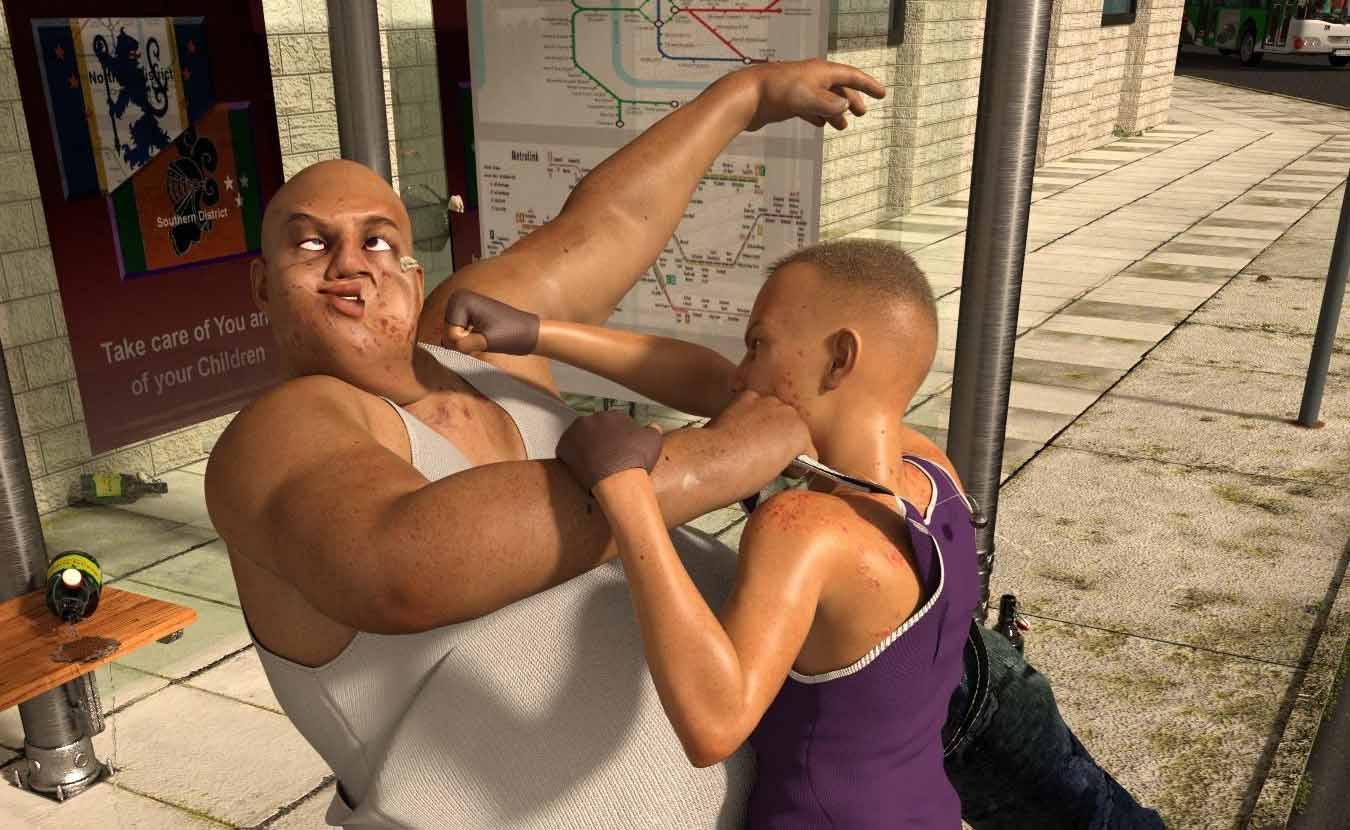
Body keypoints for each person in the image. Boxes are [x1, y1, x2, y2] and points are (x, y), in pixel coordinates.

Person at [205, 58, 886, 829]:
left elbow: (607, 225)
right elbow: (399, 566)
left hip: (801, 779)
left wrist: (745, 95)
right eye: (310, 244)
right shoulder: (277, 432)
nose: (351, 264)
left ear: (415, 276)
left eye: (379, 242)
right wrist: (721, 454)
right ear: (261, 287)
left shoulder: (478, 341)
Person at [442, 239, 1166, 830]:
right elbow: (713, 381)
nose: (742, 372)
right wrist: (535, 333)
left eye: (758, 344)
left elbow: (713, 723)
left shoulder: (804, 529)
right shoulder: (929, 469)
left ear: (841, 358)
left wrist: (625, 493)